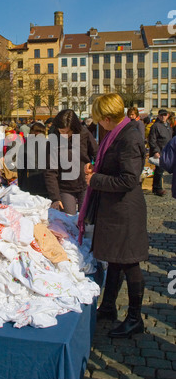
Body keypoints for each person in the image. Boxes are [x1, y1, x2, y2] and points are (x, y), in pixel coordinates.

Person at [79, 93, 149, 339]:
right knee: (115, 260)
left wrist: (95, 179)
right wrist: (96, 168)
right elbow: (113, 166)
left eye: (99, 119)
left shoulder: (129, 137)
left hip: (125, 210)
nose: (98, 123)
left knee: (129, 262)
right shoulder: (116, 132)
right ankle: (108, 307)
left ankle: (134, 318)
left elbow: (129, 178)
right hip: (114, 208)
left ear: (108, 118)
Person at [44, 109, 98, 214]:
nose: (64, 134)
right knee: (68, 219)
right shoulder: (53, 139)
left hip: (84, 183)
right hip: (65, 187)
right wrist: (55, 197)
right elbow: (50, 170)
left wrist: (93, 167)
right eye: (62, 131)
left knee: (85, 218)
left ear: (74, 128)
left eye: (68, 132)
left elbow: (97, 154)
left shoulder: (84, 134)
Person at [17, 122, 49, 198]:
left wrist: (21, 186)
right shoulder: (49, 145)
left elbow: (20, 169)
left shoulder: (24, 146)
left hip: (29, 183)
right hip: (46, 182)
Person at [148, 109, 172, 196]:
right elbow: (152, 140)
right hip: (160, 151)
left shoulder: (168, 125)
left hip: (166, 151)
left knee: (161, 170)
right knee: (159, 170)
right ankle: (157, 188)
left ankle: (157, 187)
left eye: (165, 115)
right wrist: (155, 151)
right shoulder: (155, 126)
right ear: (158, 116)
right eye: (161, 115)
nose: (163, 117)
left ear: (167, 115)